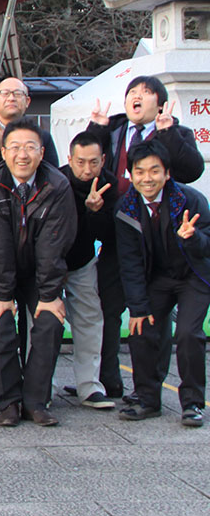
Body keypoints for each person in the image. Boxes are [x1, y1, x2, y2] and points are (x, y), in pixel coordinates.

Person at [86, 76, 203, 401]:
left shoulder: (176, 133)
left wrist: (166, 134)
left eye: (146, 93)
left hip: (164, 240)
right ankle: (109, 381)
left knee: (156, 314)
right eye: (131, 93)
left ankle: (152, 382)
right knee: (109, 309)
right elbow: (89, 161)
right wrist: (96, 128)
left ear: (160, 103)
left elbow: (191, 170)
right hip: (118, 230)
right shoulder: (112, 129)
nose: (137, 97)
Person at [0, 119, 77, 427]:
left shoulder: (57, 185)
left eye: (30, 147)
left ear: (42, 152)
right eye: (15, 147)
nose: (22, 155)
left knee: (49, 322)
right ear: (3, 152)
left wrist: (49, 295)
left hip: (40, 269)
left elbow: (54, 245)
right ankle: (8, 402)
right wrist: (2, 295)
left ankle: (35, 400)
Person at [117, 141, 210, 427]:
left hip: (194, 275)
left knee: (188, 334)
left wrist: (192, 238)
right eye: (140, 171)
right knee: (141, 326)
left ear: (167, 173)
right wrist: (137, 307)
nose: (148, 178)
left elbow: (207, 247)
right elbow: (129, 262)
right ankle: (147, 399)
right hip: (157, 277)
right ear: (130, 174)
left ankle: (193, 403)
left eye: (155, 171)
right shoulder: (126, 208)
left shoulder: (191, 201)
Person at [59, 132, 117, 410]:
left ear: (103, 160)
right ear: (69, 159)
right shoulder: (56, 180)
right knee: (43, 325)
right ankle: (40, 385)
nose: (86, 169)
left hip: (83, 260)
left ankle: (90, 386)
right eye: (80, 162)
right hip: (51, 262)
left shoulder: (110, 185)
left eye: (93, 162)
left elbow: (107, 235)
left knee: (90, 321)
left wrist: (94, 211)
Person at [0, 77, 59, 167]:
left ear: (27, 101)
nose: (11, 98)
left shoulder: (42, 137)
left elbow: (51, 174)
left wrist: (4, 144)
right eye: (5, 93)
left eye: (18, 94)